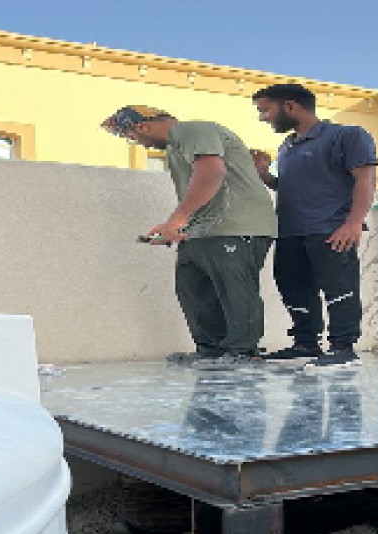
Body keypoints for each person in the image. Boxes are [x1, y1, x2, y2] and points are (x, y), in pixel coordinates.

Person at [101, 105, 277, 364]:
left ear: (142, 126)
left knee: (234, 289)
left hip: (236, 225)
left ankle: (243, 352)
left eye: (132, 136)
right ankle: (211, 350)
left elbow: (212, 172)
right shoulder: (176, 148)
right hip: (201, 228)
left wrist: (178, 219)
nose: (136, 143)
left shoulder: (191, 130)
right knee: (192, 287)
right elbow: (198, 192)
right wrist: (174, 228)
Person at [251, 84, 378, 368]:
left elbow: (366, 179)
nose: (263, 117)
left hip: (331, 229)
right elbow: (287, 186)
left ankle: (343, 348)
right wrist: (263, 173)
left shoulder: (348, 136)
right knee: (292, 287)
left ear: (290, 106)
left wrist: (354, 223)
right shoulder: (287, 146)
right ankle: (305, 344)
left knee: (339, 289)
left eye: (265, 110)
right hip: (289, 231)